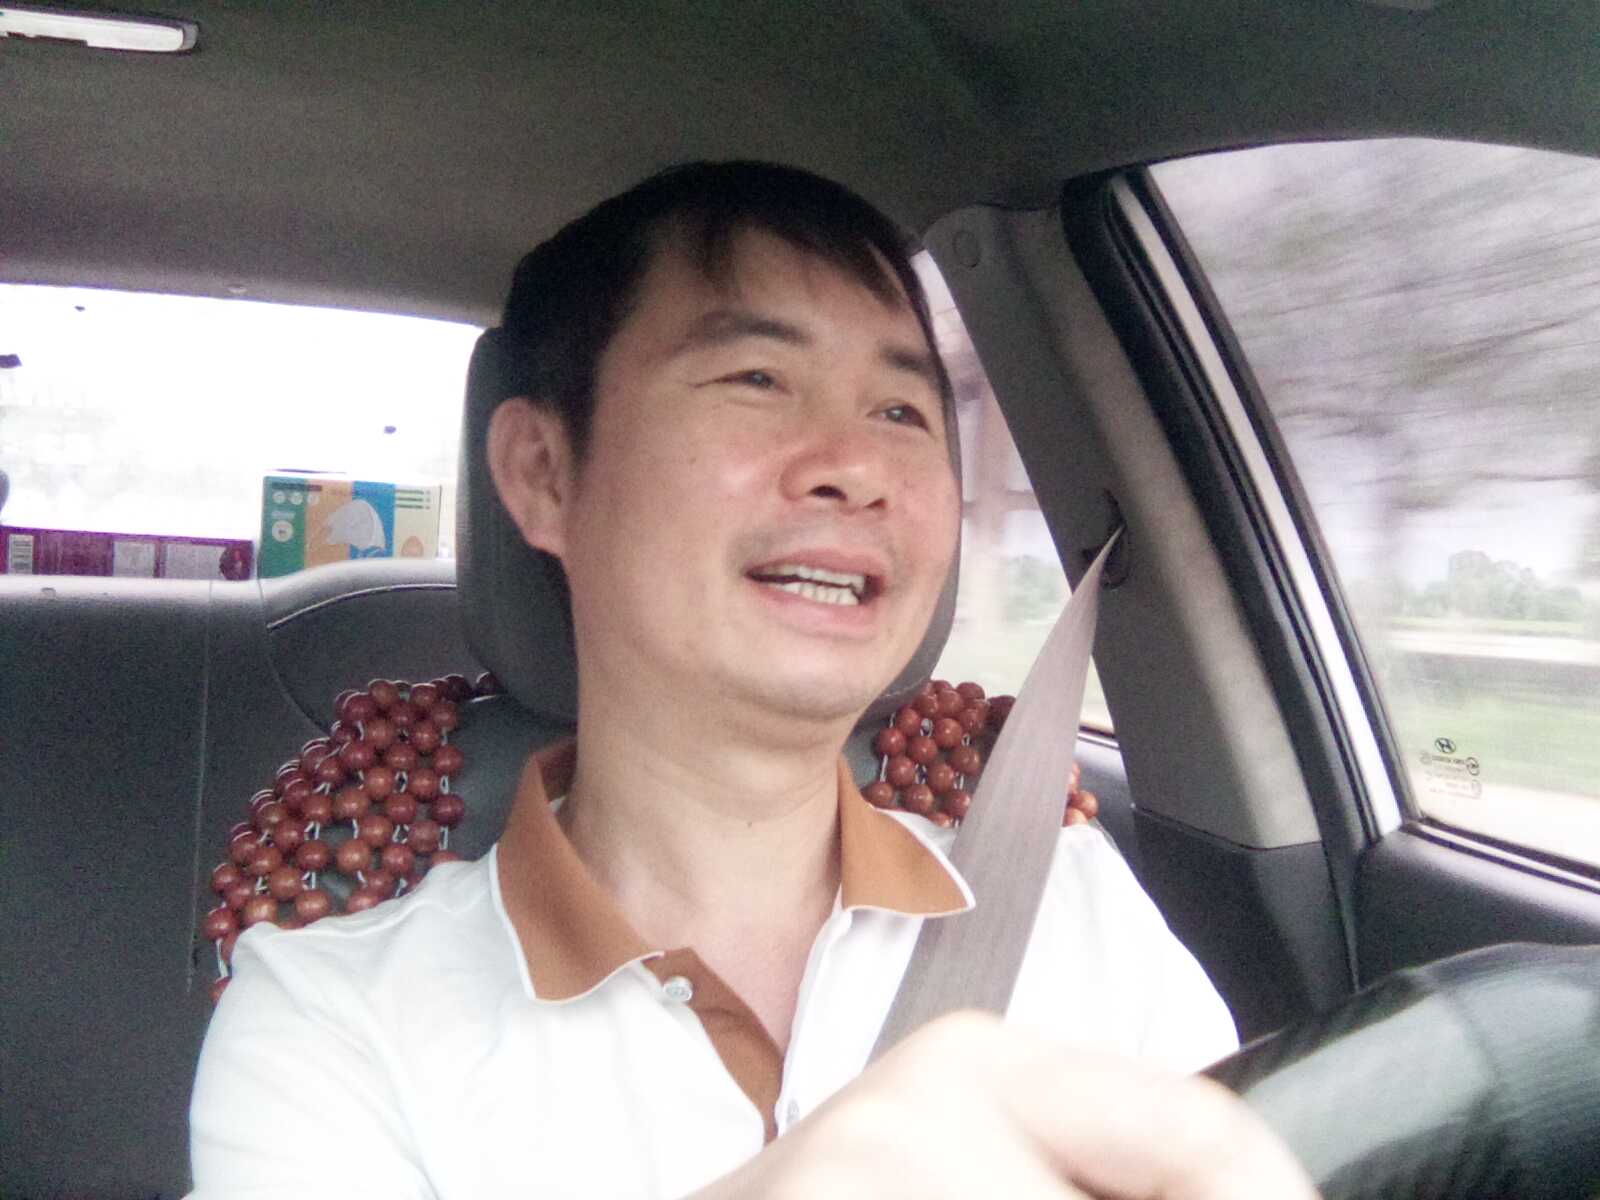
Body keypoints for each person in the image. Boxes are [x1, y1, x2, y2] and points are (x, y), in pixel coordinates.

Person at [189, 162, 1314, 1199]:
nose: (857, 468)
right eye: (758, 378)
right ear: (542, 472)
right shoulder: (333, 1020)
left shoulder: (1075, 906)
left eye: (902, 411)